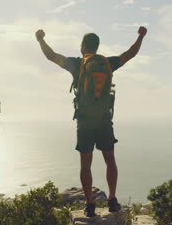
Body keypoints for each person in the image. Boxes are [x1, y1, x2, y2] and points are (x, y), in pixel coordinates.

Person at [35, 26, 147, 217]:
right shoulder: (108, 63)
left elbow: (51, 56)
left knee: (85, 164)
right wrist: (141, 36)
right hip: (104, 120)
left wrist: (40, 39)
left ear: (82, 46)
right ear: (97, 46)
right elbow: (130, 54)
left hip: (85, 121)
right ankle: (112, 200)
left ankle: (89, 205)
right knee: (110, 159)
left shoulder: (76, 64)